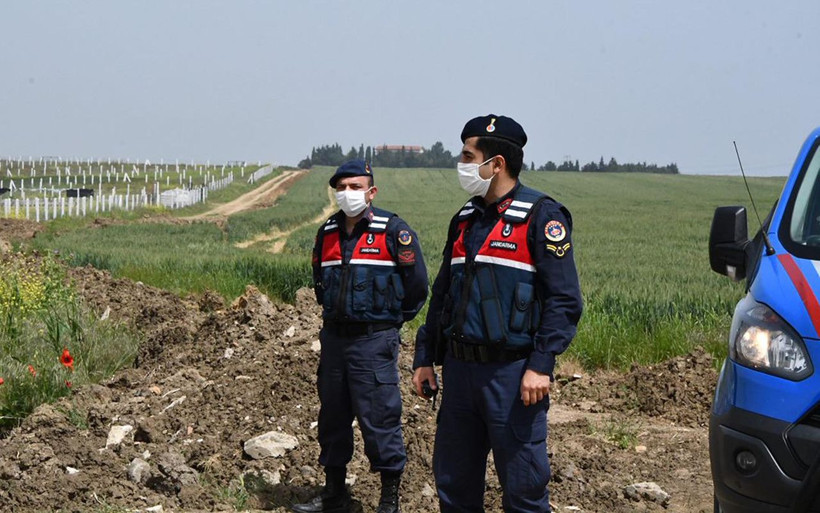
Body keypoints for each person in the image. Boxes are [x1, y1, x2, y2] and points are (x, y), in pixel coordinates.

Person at [411, 115, 583, 512]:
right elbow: (443, 295)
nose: (462, 163)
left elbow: (564, 300)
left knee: (523, 488)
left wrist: (541, 364)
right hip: (459, 375)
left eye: (469, 156)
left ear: (497, 164)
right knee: (454, 485)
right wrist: (425, 357)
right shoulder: (465, 219)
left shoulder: (542, 216)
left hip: (513, 377)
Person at [293, 159, 428, 513]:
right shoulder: (327, 233)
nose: (348, 193)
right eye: (341, 187)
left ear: (372, 191)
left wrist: (389, 324)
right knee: (332, 417)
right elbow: (321, 287)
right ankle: (334, 494)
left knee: (380, 418)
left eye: (355, 187)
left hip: (374, 341)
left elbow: (417, 288)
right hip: (335, 340)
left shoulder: (392, 231)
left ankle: (388, 501)